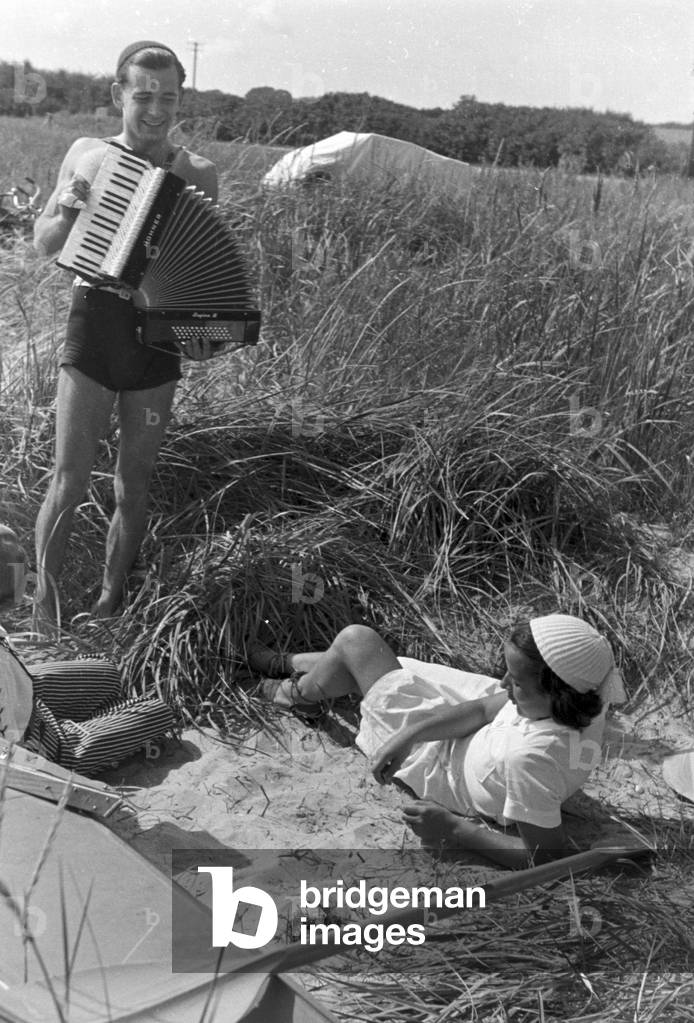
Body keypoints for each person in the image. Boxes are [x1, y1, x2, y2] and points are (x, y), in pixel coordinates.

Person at [32, 41, 218, 631]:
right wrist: (64, 212)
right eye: (143, 96)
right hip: (93, 324)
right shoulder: (86, 153)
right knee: (68, 477)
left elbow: (201, 276)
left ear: (180, 98)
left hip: (153, 341)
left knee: (132, 485)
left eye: (168, 97)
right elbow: (43, 243)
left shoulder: (199, 173)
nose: (156, 109)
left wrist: (179, 308)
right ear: (118, 95)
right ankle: (45, 606)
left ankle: (109, 604)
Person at [248, 615, 625, 869]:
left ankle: (291, 691)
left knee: (357, 642)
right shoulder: (586, 693)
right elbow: (482, 709)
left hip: (442, 765)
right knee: (388, 661)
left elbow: (545, 856)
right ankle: (290, 665)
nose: (505, 685)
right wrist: (410, 734)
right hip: (476, 738)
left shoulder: (531, 759)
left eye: (516, 682)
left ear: (556, 694)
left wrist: (455, 830)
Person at [0, 524, 175, 775]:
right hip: (44, 748)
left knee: (106, 671)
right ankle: (92, 724)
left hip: (24, 701)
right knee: (155, 710)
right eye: (23, 569)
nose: (28, 574)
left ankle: (96, 715)